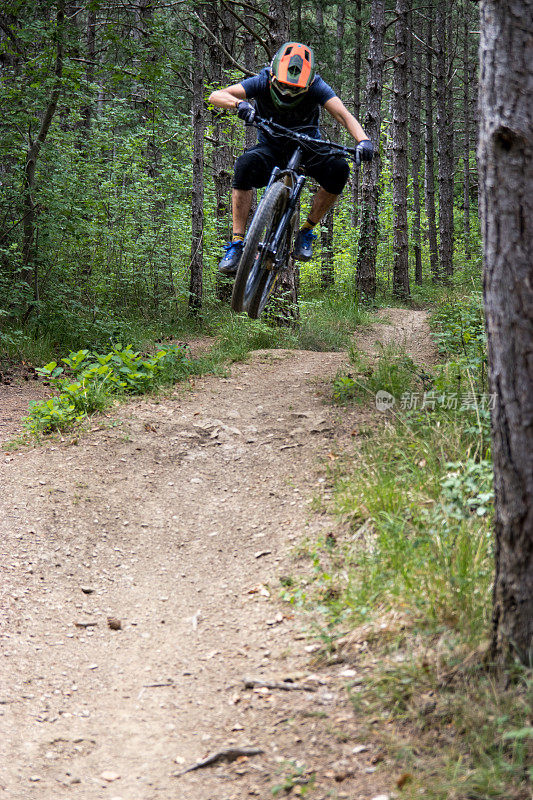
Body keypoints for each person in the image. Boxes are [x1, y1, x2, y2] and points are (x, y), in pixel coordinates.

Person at [208, 42, 374, 275]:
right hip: (271, 146)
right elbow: (216, 95)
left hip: (308, 147)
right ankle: (236, 244)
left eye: (295, 88)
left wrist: (363, 141)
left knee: (339, 169)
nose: (287, 92)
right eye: (283, 85)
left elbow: (343, 115)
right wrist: (240, 104)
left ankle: (306, 230)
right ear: (274, 74)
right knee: (244, 166)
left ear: (308, 83)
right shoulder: (261, 80)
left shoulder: (317, 86)